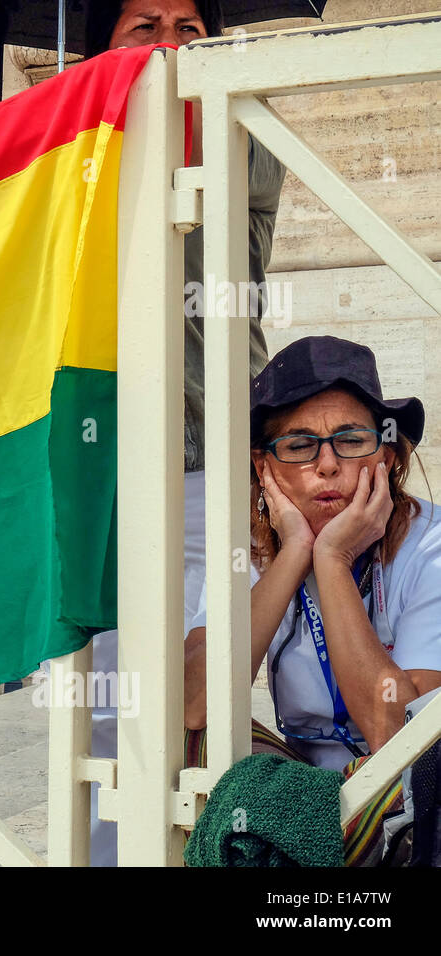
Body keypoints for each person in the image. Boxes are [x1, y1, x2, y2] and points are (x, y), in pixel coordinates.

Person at [80, 0, 287, 865]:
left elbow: (188, 140)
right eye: (144, 27)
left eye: (189, 28)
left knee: (200, 707)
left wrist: (95, 105)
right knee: (109, 718)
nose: (170, 45)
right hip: (102, 475)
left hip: (209, 467)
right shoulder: (81, 148)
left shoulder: (241, 127)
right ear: (101, 44)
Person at [184, 336, 441, 862]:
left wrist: (334, 561)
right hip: (308, 776)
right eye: (299, 446)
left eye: (350, 440)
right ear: (265, 468)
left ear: (387, 456)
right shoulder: (247, 551)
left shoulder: (430, 545)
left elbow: (399, 733)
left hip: (409, 786)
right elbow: (192, 703)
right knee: (189, 736)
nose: (327, 465)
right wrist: (295, 552)